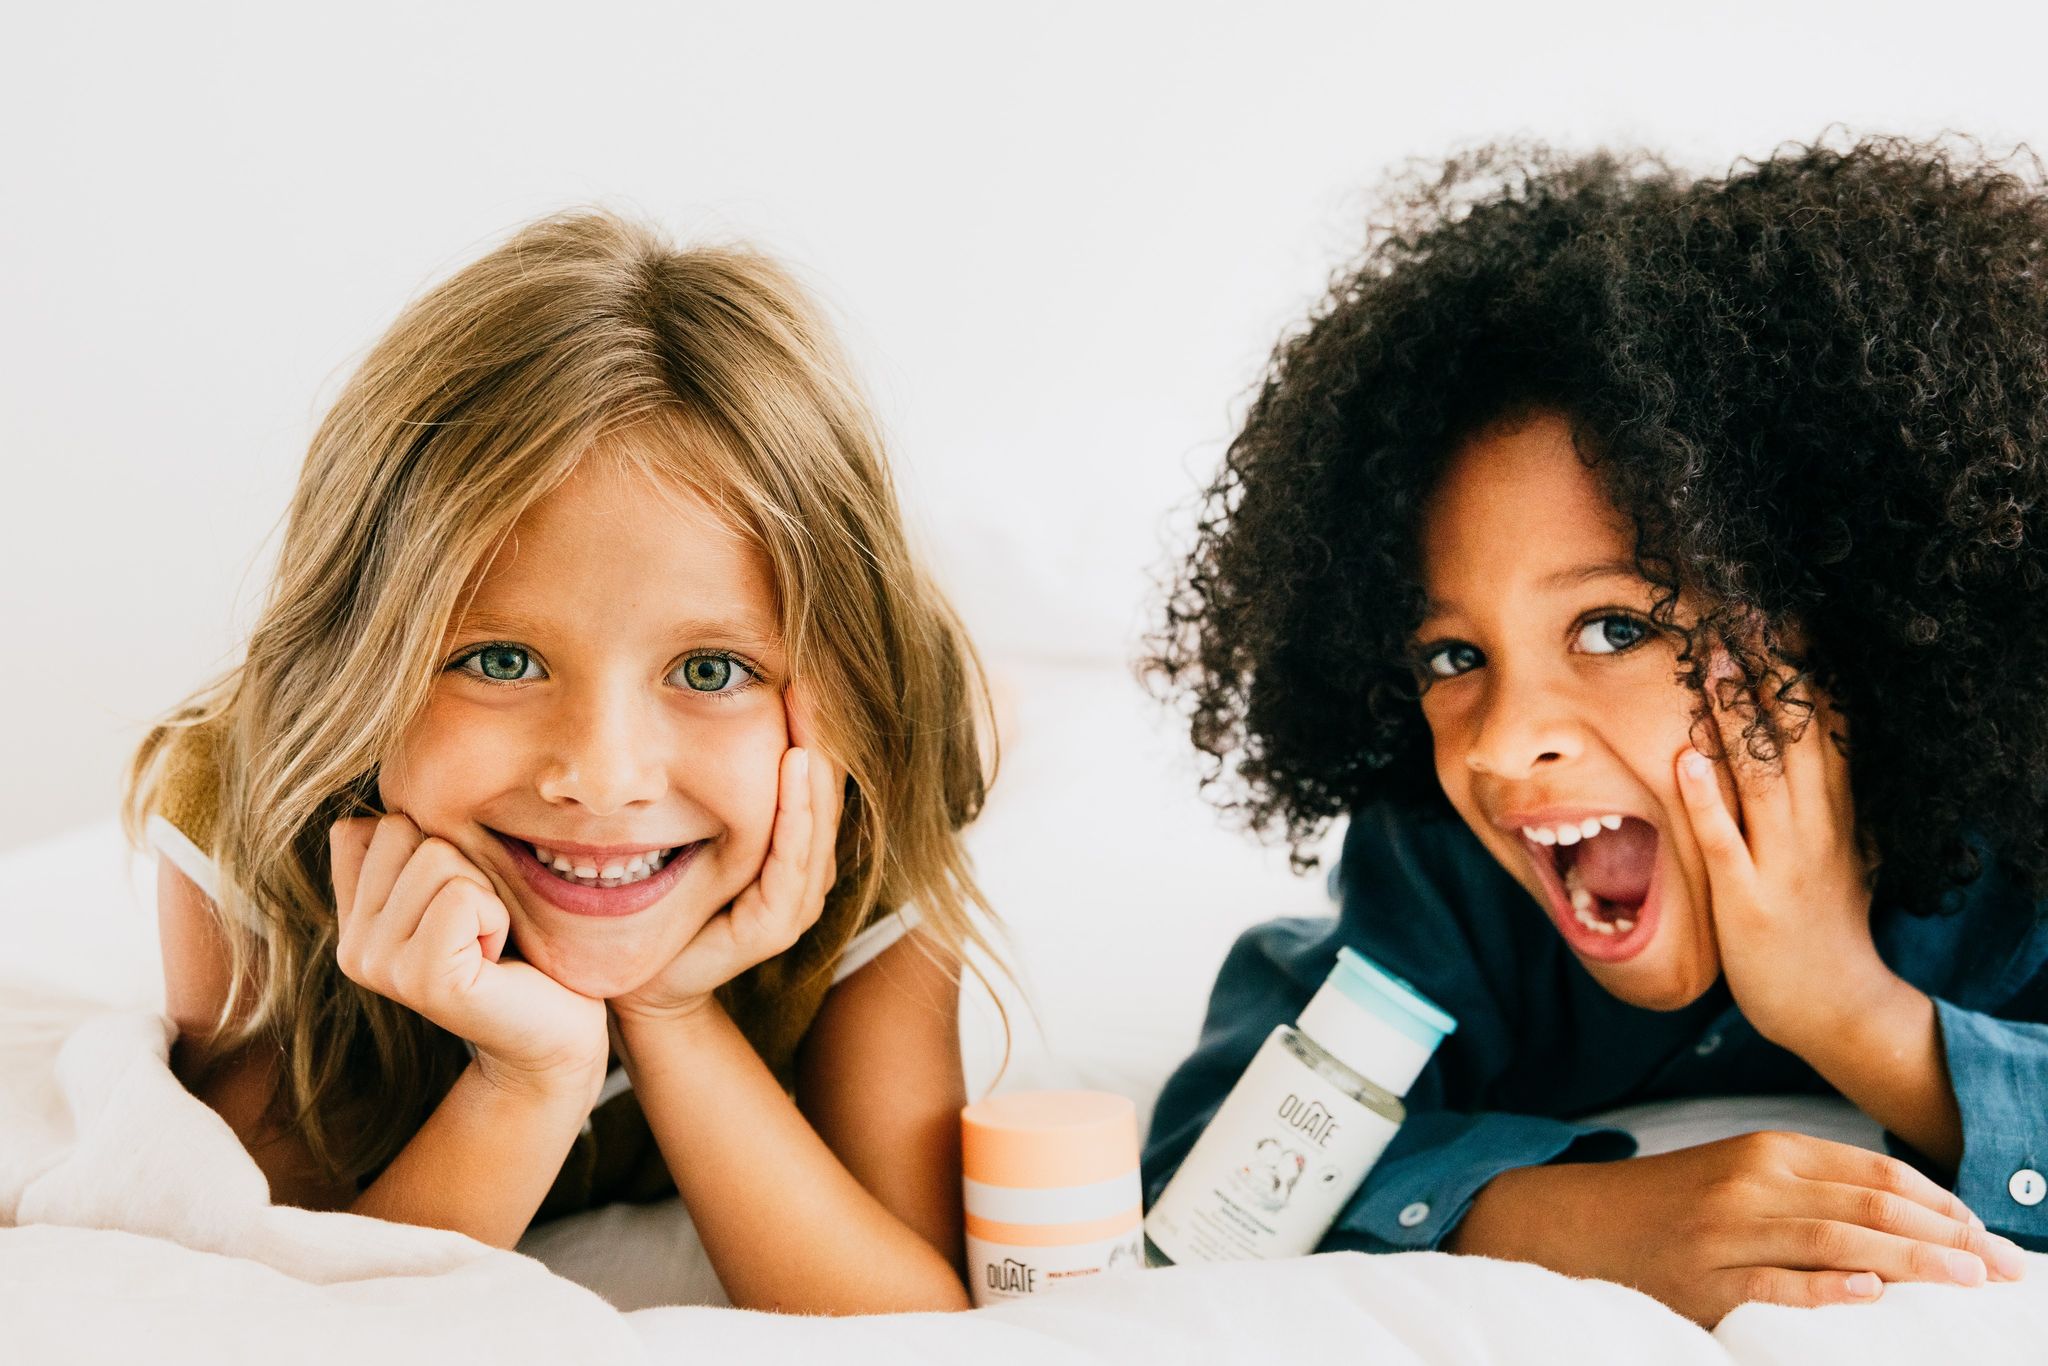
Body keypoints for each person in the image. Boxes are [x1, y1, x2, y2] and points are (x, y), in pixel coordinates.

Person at [1144, 136, 2048, 1327]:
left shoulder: (2013, 853)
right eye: (1452, 656)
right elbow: (1222, 1152)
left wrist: (1851, 1013)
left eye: (1614, 627)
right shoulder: (1450, 867)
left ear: (1855, 615)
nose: (1501, 744)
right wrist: (1571, 1221)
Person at [126, 211, 997, 1314]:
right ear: (357, 664)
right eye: (499, 658)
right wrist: (526, 1078)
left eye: (714, 670)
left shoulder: (872, 796)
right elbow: (294, 1318)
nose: (602, 774)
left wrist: (674, 1016)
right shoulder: (248, 798)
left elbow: (912, 1319)